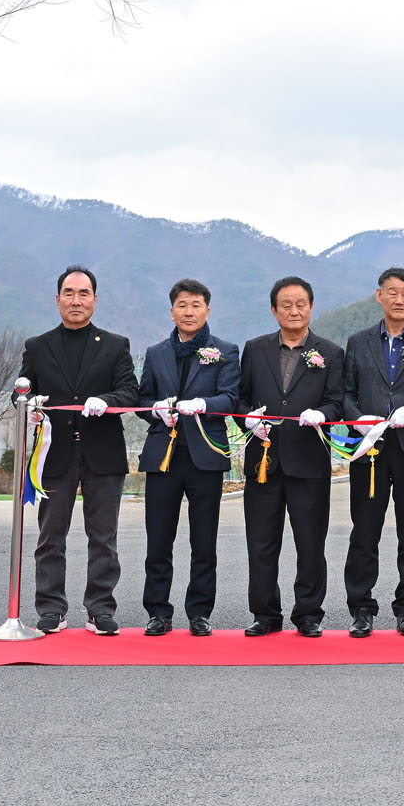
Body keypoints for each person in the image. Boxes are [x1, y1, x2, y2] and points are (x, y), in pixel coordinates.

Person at [20, 265, 139, 635]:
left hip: (103, 453)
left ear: (95, 300)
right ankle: (51, 608)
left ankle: (100, 608)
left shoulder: (116, 345)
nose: (76, 300)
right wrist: (29, 404)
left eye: (83, 293)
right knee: (50, 537)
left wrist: (107, 400)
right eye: (69, 293)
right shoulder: (37, 347)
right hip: (54, 454)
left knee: (103, 538)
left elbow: (130, 392)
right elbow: (21, 391)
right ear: (57, 300)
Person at [237, 276, 347, 637]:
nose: (294, 310)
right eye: (286, 305)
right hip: (264, 461)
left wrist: (323, 414)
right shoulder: (255, 349)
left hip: (308, 460)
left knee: (310, 542)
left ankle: (309, 614)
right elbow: (241, 398)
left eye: (301, 304)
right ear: (274, 310)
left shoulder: (331, 353)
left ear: (311, 307)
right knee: (261, 542)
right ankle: (265, 613)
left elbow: (337, 402)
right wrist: (248, 420)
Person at [340, 266, 404, 638]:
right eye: (392, 292)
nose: (398, 299)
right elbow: (345, 392)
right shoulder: (358, 342)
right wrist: (357, 419)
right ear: (379, 295)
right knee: (364, 531)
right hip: (370, 447)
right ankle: (361, 608)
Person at [134, 278, 240, 637]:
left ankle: (199, 612)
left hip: (205, 456)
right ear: (172, 311)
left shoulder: (225, 350)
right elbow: (142, 400)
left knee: (204, 541)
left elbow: (231, 398)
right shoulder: (156, 353)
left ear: (207, 310)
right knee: (158, 540)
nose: (189, 311)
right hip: (162, 456)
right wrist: (155, 410)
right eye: (182, 305)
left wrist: (203, 405)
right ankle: (157, 612)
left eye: (196, 305)